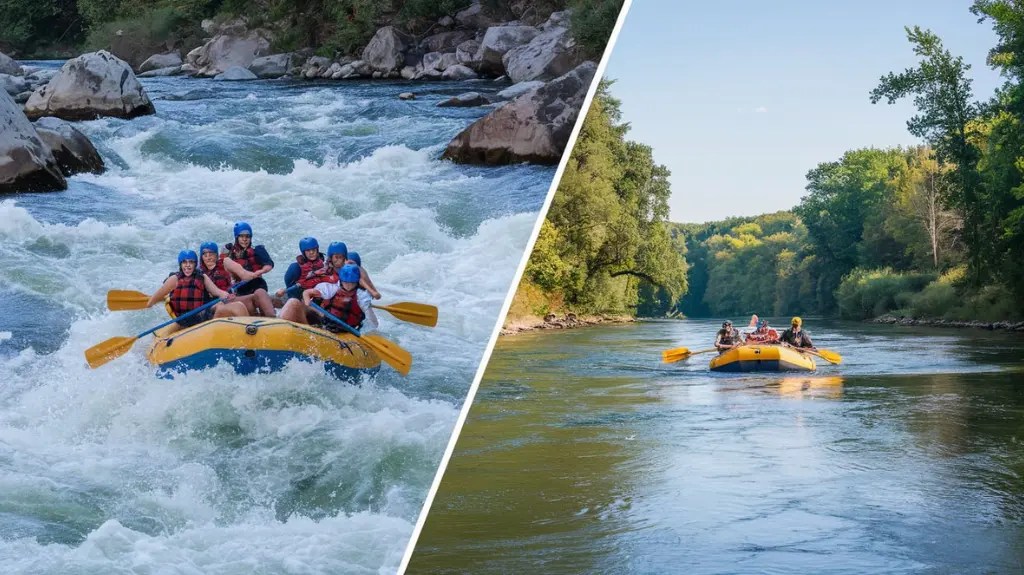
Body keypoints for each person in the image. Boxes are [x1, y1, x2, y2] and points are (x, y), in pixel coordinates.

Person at [146, 250, 248, 328]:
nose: (188, 265)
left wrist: (225, 295)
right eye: (184, 262)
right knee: (220, 307)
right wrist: (149, 304)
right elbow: (157, 296)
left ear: (195, 264)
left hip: (201, 313)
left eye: (191, 262)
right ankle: (213, 333)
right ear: (180, 265)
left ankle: (248, 331)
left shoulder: (202, 277)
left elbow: (216, 291)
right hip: (185, 318)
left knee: (238, 306)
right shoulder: (175, 279)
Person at [278, 264, 379, 331]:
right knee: (293, 303)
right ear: (341, 280)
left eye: (352, 283)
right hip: (328, 325)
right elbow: (307, 292)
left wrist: (368, 334)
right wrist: (308, 302)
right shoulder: (331, 288)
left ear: (356, 282)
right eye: (346, 282)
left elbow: (374, 324)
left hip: (347, 331)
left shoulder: (361, 297)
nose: (348, 286)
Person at [199, 241, 276, 318]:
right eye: (205, 255)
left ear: (216, 255)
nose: (208, 258)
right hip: (214, 305)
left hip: (231, 299)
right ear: (201, 258)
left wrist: (253, 275)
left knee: (260, 292)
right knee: (235, 306)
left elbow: (239, 272)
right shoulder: (199, 274)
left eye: (211, 254)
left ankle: (273, 321)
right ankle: (250, 323)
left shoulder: (224, 264)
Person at [223, 221, 274, 299]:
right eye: (241, 236)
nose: (244, 239)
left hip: (256, 283)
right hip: (238, 286)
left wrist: (261, 271)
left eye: (247, 237)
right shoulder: (229, 249)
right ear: (237, 237)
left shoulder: (258, 249)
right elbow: (220, 266)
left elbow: (269, 265)